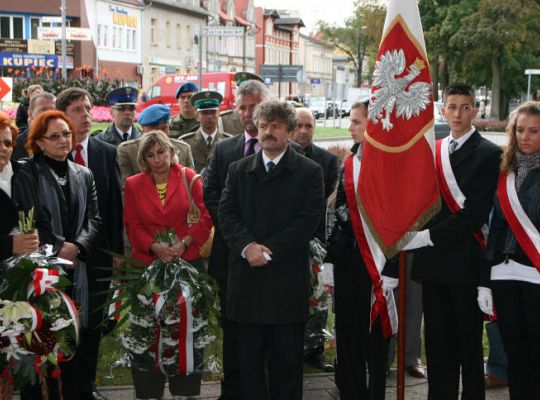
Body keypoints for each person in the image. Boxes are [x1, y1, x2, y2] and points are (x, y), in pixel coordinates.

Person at [218, 100, 324, 399]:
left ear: (289, 132)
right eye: (263, 126)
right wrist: (248, 246)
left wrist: (268, 251)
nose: (268, 132)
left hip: (285, 284)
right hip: (247, 284)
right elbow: (227, 214)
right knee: (248, 364)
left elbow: (307, 221)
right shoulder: (238, 170)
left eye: (275, 126)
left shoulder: (309, 172)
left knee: (286, 366)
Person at [405, 83, 502, 400]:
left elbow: (474, 215)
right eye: (452, 106)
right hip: (433, 267)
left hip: (464, 263)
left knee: (468, 343)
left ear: (475, 110)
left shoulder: (489, 154)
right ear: (442, 109)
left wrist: (425, 237)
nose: (458, 113)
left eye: (465, 106)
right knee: (437, 342)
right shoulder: (432, 150)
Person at [14, 110, 101, 400]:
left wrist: (77, 246)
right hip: (42, 274)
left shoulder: (83, 173)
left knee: (74, 341)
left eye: (66, 134)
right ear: (39, 142)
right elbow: (31, 218)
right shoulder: (26, 172)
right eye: (55, 136)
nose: (63, 140)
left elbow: (94, 219)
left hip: (77, 270)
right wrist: (59, 247)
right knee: (42, 342)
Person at [123, 131, 212, 399]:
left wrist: (183, 243)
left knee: (188, 328)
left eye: (161, 152)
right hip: (147, 265)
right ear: (143, 159)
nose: (157, 159)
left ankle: (185, 390)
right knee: (147, 330)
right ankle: (149, 390)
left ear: (171, 151)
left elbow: (206, 217)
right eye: (150, 155)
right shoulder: (133, 184)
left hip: (188, 261)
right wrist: (154, 246)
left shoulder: (189, 178)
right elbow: (132, 225)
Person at [203, 77, 271, 399]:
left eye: (253, 107)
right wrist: (240, 236)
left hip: (270, 255)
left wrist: (259, 240)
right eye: (242, 107)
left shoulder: (281, 150)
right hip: (230, 254)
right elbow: (211, 194)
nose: (247, 113)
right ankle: (232, 389)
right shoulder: (224, 149)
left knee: (267, 328)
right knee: (232, 328)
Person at [324, 101, 397, 400]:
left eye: (357, 121)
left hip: (378, 262)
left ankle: (376, 393)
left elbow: (398, 221)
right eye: (351, 121)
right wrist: (330, 257)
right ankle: (351, 392)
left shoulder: (392, 165)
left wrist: (391, 267)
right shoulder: (351, 161)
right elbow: (340, 210)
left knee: (376, 336)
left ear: (375, 124)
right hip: (348, 258)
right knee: (348, 332)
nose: (351, 127)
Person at [56, 87, 124, 400]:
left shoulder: (106, 152)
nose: (85, 116)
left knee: (93, 323)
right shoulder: (48, 153)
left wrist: (117, 255)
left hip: (96, 255)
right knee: (61, 320)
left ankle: (87, 385)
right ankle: (61, 384)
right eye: (77, 110)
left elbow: (113, 208)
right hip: (58, 256)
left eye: (88, 109)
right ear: (61, 116)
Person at [479, 101, 540, 399]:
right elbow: (497, 227)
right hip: (504, 274)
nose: (525, 136)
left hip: (536, 273)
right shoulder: (505, 171)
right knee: (515, 351)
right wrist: (486, 277)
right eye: (519, 130)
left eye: (533, 131)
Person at [292, 107, 337, 372]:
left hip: (317, 240)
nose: (304, 131)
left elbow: (327, 203)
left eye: (309, 126)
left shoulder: (328, 161)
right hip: (287, 240)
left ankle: (315, 351)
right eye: (299, 125)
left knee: (318, 299)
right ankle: (292, 347)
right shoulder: (281, 156)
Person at [117, 104, 194, 186]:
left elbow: (191, 183)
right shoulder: (128, 150)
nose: (160, 133)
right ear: (143, 128)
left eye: (164, 128)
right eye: (155, 130)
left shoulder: (183, 149)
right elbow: (125, 189)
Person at [0, 112, 39, 262]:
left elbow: (43, 220)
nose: (2, 148)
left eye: (7, 143)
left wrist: (36, 238)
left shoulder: (24, 175)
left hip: (25, 273)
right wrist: (10, 244)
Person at [180, 91, 232, 174]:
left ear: (218, 114)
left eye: (213, 112)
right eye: (205, 113)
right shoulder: (186, 142)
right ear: (197, 116)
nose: (210, 117)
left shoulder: (229, 141)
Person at [12, 91, 56, 160]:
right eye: (44, 110)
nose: (50, 114)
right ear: (30, 113)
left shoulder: (64, 142)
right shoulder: (16, 145)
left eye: (54, 110)